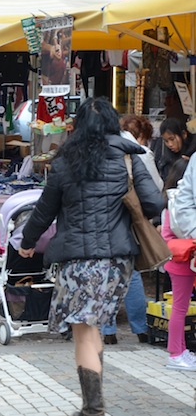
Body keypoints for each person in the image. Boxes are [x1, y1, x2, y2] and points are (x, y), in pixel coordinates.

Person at [18, 97, 163, 416]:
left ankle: (93, 408)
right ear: (113, 124)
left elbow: (44, 211)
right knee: (93, 324)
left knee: (85, 328)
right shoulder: (129, 158)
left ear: (78, 126)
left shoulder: (65, 160)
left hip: (78, 260)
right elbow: (154, 204)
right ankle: (93, 404)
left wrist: (27, 241)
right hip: (117, 259)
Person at [102, 114, 164, 345]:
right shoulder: (133, 153)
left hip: (97, 223)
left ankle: (108, 330)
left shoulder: (89, 152)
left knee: (105, 276)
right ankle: (140, 329)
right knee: (132, 274)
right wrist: (152, 216)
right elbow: (153, 192)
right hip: (125, 217)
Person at [160, 158, 196, 370]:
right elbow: (167, 235)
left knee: (180, 308)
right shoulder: (176, 205)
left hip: (180, 261)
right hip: (182, 261)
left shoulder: (171, 204)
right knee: (180, 308)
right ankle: (175, 353)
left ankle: (180, 351)